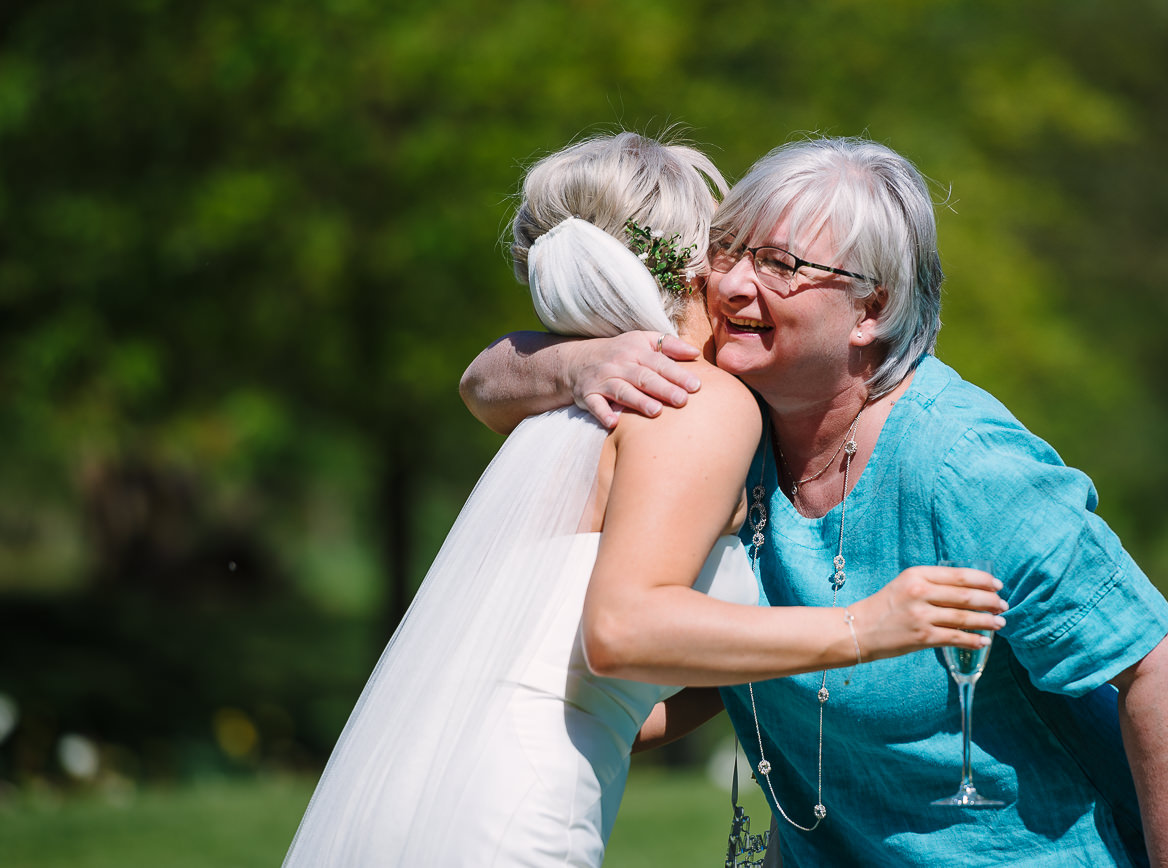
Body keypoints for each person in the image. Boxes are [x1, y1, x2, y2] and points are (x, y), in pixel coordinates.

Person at [460, 136, 1168, 866]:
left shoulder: (966, 466)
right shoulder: (731, 416)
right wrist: (581, 365)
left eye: (781, 264)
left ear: (870, 310)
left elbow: (1159, 663)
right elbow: (485, 382)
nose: (731, 282)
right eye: (728, 249)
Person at [283, 132, 1006, 868]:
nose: (741, 282)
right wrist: (862, 627)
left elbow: (481, 385)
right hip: (518, 808)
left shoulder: (579, 403)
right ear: (694, 265)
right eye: (734, 251)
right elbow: (622, 628)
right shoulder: (693, 400)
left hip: (423, 783)